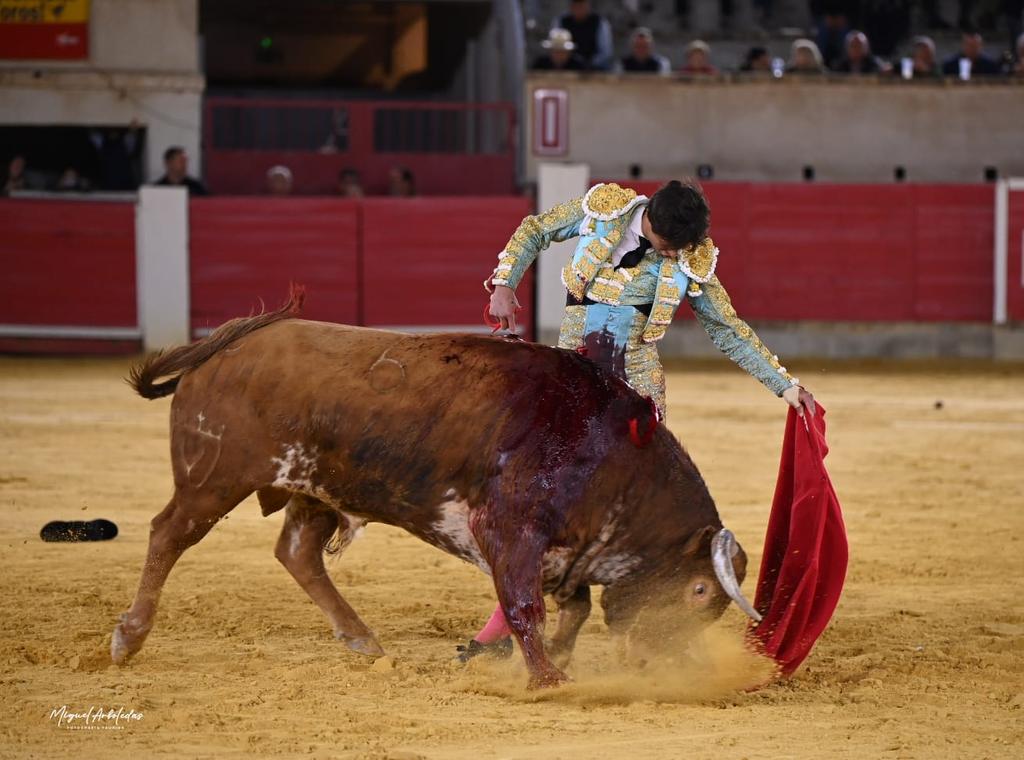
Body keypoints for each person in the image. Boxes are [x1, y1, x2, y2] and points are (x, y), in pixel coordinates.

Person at [460, 181, 817, 661]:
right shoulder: (603, 211)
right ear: (648, 219)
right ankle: (507, 628)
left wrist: (785, 385)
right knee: (541, 507)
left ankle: (649, 629)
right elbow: (536, 230)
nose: (672, 255)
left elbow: (727, 328)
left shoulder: (691, 257)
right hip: (572, 384)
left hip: (637, 396)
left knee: (639, 514)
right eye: (668, 245)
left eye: (680, 248)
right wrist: (505, 283)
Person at [554, 0, 613, 71]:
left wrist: (588, 64)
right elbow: (555, 46)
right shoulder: (562, 21)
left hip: (594, 67)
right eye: (576, 5)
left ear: (588, 6)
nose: (578, 9)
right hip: (567, 66)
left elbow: (605, 52)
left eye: (581, 6)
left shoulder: (599, 22)